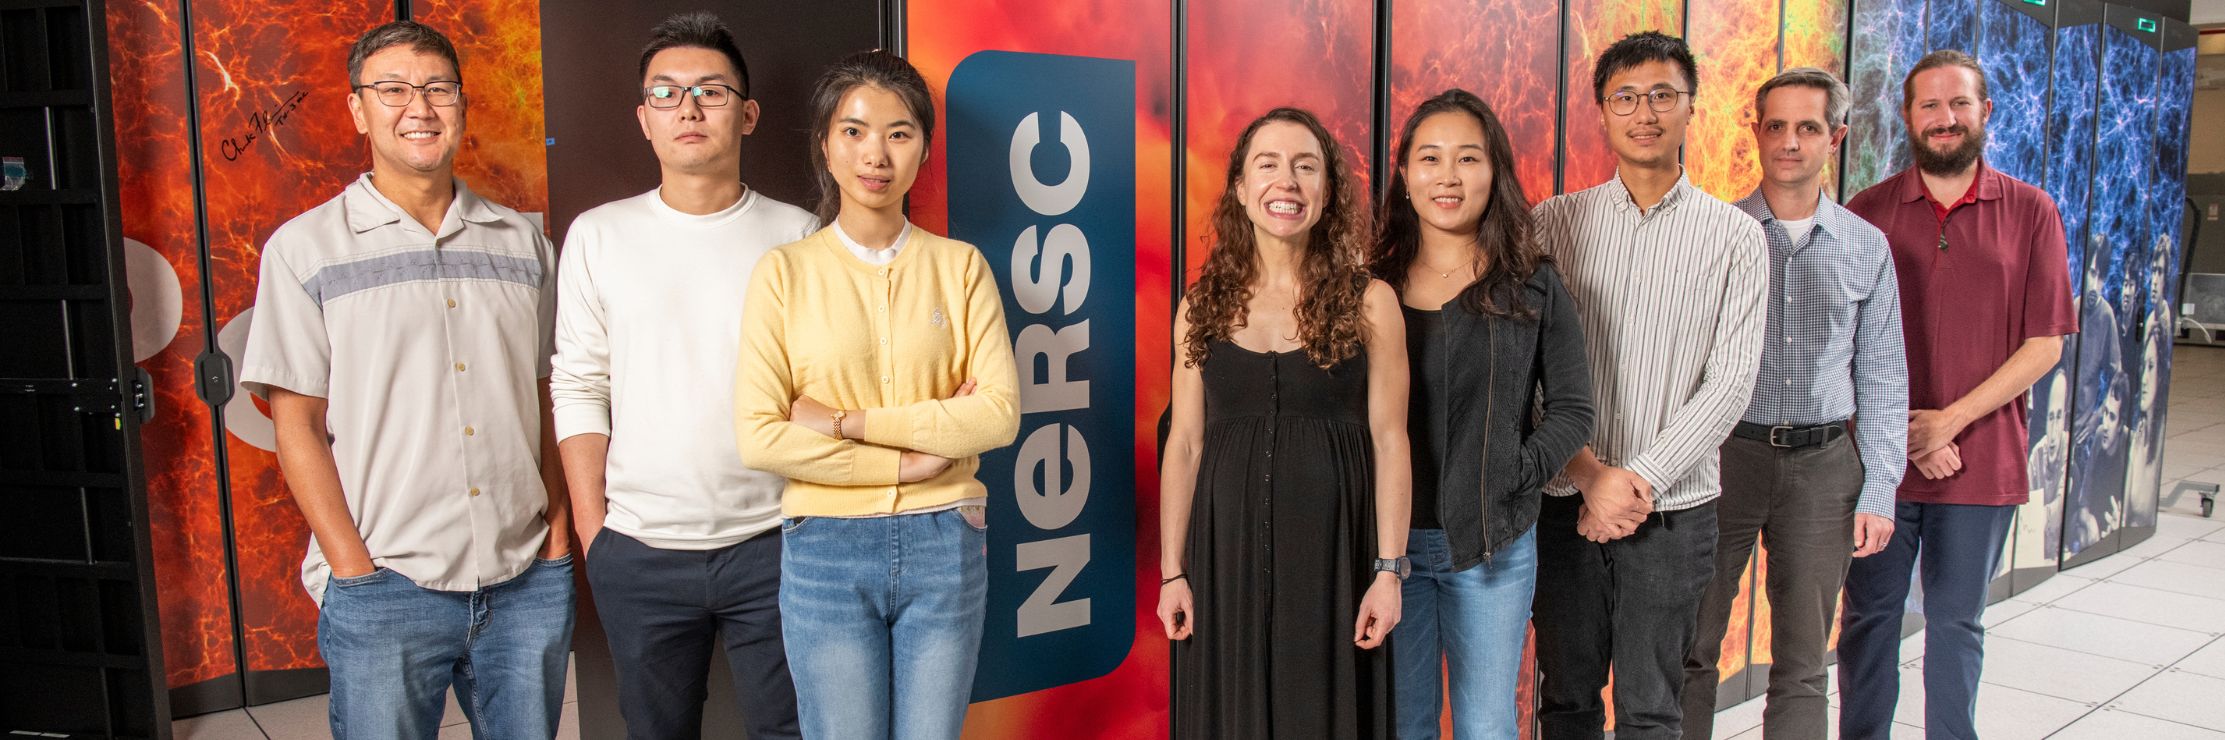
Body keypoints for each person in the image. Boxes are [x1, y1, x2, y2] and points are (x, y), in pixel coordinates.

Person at [238, 20, 573, 738]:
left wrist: (557, 535)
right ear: (358, 108)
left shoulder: (523, 243)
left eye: (437, 89)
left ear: (461, 104)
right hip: (386, 582)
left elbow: (546, 397)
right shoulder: (305, 250)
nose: (417, 108)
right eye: (392, 89)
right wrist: (352, 569)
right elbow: (294, 423)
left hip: (524, 580)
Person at [731, 49, 1020, 740]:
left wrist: (844, 422)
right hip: (824, 547)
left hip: (945, 536)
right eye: (854, 130)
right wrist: (907, 459)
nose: (876, 155)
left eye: (899, 133)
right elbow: (760, 436)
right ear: (825, 145)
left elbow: (997, 415)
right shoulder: (783, 274)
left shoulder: (960, 268)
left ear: (923, 149)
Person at [550, 12, 815, 739]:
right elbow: (577, 383)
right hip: (639, 551)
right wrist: (593, 531)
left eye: (710, 91)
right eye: (665, 94)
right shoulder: (600, 235)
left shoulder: (797, 235)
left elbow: (820, 387)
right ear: (643, 119)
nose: (688, 108)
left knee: (791, 728)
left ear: (748, 113)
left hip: (777, 541)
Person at [1528, 31, 1767, 740]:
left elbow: (1729, 383)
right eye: (1625, 97)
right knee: (1564, 700)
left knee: (1651, 707)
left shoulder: (1733, 237)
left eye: (1662, 95)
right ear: (1602, 112)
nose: (1644, 112)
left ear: (1690, 107)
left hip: (1673, 512)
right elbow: (1525, 371)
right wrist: (1589, 473)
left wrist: (1634, 481)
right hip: (1563, 504)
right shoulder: (1554, 223)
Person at [1839, 49, 2076, 740]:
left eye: (1958, 104)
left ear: (1983, 113)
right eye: (1929, 106)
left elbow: (2045, 342)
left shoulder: (2031, 212)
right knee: (1869, 621)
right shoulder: (1868, 211)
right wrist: (1905, 434)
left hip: (1980, 461)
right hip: (1879, 462)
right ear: (1907, 117)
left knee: (1955, 623)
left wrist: (1949, 423)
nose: (1944, 119)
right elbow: (1837, 340)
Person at [1156, 106, 1412, 740]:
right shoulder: (1201, 305)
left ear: (1326, 193)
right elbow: (1185, 445)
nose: (1287, 182)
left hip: (1335, 561)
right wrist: (1172, 571)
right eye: (1267, 165)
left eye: (1306, 166)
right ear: (1241, 191)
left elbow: (1390, 441)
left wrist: (1388, 571)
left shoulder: (1370, 301)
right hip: (1223, 565)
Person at [1678, 67, 1907, 740]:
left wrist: (1879, 491)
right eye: (1774, 126)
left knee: (1803, 660)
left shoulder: (1867, 247)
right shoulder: (1715, 234)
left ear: (1833, 138)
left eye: (1806, 127)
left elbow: (1885, 377)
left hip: (1823, 468)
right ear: (1754, 134)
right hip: (1721, 460)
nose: (1788, 142)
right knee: (1692, 645)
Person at [1367, 89, 1593, 740]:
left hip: (1492, 549)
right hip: (1388, 549)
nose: (1447, 176)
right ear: (1404, 175)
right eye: (1429, 158)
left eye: (1467, 158)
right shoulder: (1367, 285)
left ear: (1493, 173)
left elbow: (1573, 411)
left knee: (1486, 726)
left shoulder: (1531, 282)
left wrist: (1511, 473)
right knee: (1402, 724)